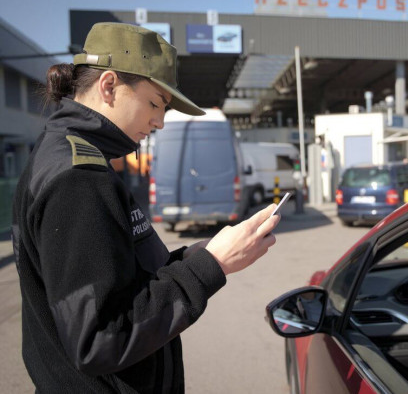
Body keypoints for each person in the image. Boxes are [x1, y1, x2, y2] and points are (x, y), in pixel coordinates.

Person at [11, 22, 280, 393]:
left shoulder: (70, 155)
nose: (160, 121)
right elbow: (101, 339)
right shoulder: (79, 178)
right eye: (155, 103)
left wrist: (210, 251)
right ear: (108, 86)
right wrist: (211, 266)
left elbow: (128, 279)